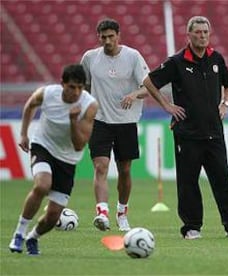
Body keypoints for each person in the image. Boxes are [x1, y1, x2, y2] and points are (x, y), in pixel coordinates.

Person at [143, 16, 228, 240]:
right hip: (187, 134)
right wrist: (167, 105)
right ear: (189, 35)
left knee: (222, 180)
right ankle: (191, 228)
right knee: (188, 183)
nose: (202, 36)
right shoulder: (176, 62)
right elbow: (149, 81)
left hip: (214, 132)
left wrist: (225, 103)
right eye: (198, 32)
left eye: (206, 32)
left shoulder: (216, 58)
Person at [9, 64, 98, 255]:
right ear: (62, 84)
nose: (76, 92)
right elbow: (30, 105)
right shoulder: (47, 94)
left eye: (80, 88)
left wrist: (73, 120)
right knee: (42, 185)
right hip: (43, 146)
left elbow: (79, 145)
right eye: (71, 87)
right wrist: (24, 134)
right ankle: (19, 233)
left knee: (53, 215)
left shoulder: (89, 106)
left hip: (67, 159)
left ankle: (32, 237)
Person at [80, 18, 150, 231]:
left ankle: (122, 212)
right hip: (100, 120)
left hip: (126, 122)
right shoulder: (90, 58)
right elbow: (84, 86)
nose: (108, 41)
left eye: (111, 36)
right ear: (98, 37)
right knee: (100, 167)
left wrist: (134, 94)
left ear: (118, 36)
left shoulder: (133, 57)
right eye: (104, 37)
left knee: (125, 171)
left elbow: (149, 88)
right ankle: (102, 212)